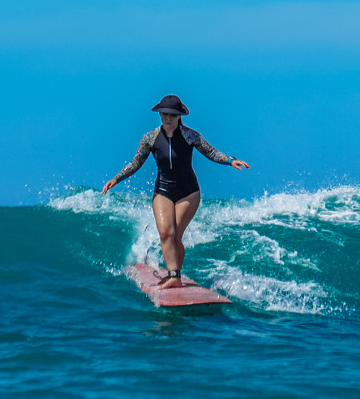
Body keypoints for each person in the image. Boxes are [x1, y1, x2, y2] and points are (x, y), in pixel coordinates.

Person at [102, 94, 250, 288]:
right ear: (160, 115)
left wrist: (231, 160)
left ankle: (174, 276)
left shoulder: (190, 136)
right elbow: (136, 162)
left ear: (180, 116)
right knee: (165, 234)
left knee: (176, 236)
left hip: (188, 192)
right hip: (163, 190)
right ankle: (174, 276)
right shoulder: (150, 138)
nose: (168, 119)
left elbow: (211, 152)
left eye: (172, 115)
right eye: (164, 115)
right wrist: (117, 178)